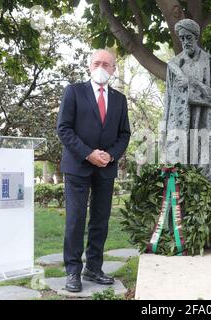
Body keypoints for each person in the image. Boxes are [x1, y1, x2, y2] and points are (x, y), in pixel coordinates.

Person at [57, 49, 131, 292]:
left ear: (113, 69)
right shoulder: (74, 92)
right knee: (76, 220)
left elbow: (124, 134)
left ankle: (94, 267)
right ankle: (73, 271)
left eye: (106, 64)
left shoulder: (120, 99)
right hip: (78, 167)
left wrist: (110, 155)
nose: (102, 67)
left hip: (106, 168)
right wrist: (89, 153)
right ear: (90, 66)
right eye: (97, 63)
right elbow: (64, 129)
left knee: (100, 220)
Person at [161, 18, 211, 248]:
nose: (185, 41)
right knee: (178, 181)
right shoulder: (173, 65)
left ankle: (209, 237)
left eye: (189, 37)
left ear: (196, 37)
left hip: (204, 130)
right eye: (182, 38)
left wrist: (192, 86)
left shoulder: (209, 62)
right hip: (179, 133)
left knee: (207, 179)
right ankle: (177, 238)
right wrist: (165, 136)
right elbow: (168, 101)